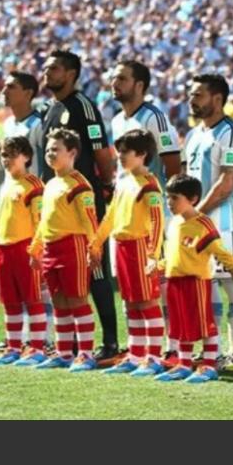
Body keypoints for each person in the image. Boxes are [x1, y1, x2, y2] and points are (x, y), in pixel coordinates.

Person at [40, 50, 119, 363]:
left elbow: (101, 151)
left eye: (54, 68)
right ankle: (69, 346)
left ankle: (110, 343)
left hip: (83, 202)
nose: (47, 73)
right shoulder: (49, 109)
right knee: (63, 280)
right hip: (57, 204)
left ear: (71, 73)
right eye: (46, 68)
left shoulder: (83, 106)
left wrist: (107, 186)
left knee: (96, 269)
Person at [109, 60, 181, 360]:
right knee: (130, 289)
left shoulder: (155, 118)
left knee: (158, 285)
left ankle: (172, 347)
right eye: (114, 78)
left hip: (151, 216)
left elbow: (173, 164)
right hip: (124, 214)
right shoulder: (115, 120)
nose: (115, 83)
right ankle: (138, 350)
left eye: (122, 79)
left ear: (139, 85)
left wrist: (171, 211)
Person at [183, 74, 233, 369]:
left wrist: (199, 210)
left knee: (232, 283)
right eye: (191, 94)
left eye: (198, 95)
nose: (192, 100)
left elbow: (229, 178)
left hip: (224, 218)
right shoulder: (194, 133)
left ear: (217, 99)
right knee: (204, 284)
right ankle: (215, 350)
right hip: (196, 219)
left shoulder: (231, 131)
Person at [153, 174, 233, 384]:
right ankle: (184, 365)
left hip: (196, 282)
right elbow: (171, 253)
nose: (170, 202)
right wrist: (159, 267)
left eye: (175, 198)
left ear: (192, 199)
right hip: (175, 282)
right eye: (168, 197)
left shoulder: (203, 223)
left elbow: (218, 250)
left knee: (205, 326)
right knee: (181, 326)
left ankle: (209, 365)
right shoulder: (174, 223)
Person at [91, 130, 166, 376]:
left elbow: (157, 221)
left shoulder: (150, 185)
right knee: (131, 303)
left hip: (140, 247)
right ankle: (135, 355)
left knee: (147, 302)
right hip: (120, 247)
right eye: (119, 151)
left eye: (126, 152)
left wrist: (153, 255)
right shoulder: (122, 180)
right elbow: (112, 215)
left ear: (142, 154)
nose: (120, 156)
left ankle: (153, 357)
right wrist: (96, 242)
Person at [29, 128, 100, 372]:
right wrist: (36, 247)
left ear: (72, 152)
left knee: (78, 299)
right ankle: (63, 353)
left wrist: (94, 247)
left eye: (55, 149)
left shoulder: (80, 184)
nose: (50, 154)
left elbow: (91, 220)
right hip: (50, 249)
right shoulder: (50, 183)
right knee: (59, 301)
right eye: (48, 149)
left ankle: (86, 354)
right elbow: (44, 221)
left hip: (73, 247)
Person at [0, 71, 53, 345]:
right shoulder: (8, 124)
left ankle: (45, 339)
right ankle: (18, 340)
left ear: (29, 93)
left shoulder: (38, 124)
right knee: (15, 284)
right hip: (13, 205)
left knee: (37, 281)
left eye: (11, 86)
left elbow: (45, 166)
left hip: (33, 205)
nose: (4, 90)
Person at [0, 137, 48, 366]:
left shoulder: (33, 185)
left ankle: (37, 348)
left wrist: (37, 249)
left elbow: (41, 221)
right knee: (10, 301)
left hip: (25, 248)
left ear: (26, 156)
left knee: (32, 299)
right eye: (3, 155)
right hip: (3, 249)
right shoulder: (6, 184)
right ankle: (13, 347)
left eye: (12, 154)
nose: (7, 160)